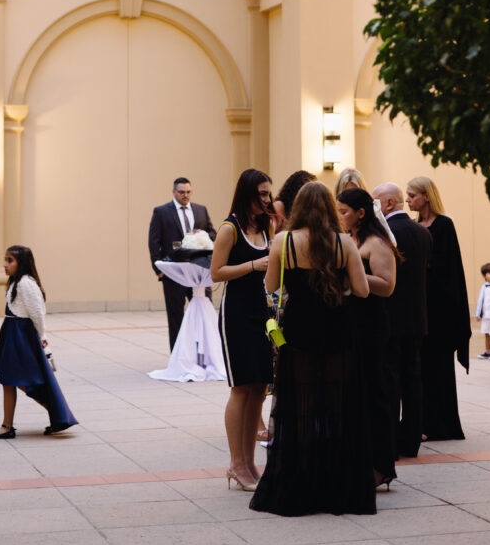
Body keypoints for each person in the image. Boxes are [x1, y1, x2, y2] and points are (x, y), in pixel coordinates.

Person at [250, 181, 375, 517]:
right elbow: (362, 291)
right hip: (338, 328)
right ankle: (336, 481)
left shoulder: (284, 241)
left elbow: (271, 287)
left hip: (300, 330)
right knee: (338, 404)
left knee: (300, 404)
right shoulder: (345, 242)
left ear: (298, 208)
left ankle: (301, 481)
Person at [210, 169, 273, 491]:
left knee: (260, 388)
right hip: (236, 315)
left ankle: (249, 463)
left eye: (268, 194)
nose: (267, 199)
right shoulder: (229, 229)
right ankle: (236, 464)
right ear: (248, 194)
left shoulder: (266, 226)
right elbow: (216, 272)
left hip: (262, 314)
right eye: (262, 194)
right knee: (241, 388)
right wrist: (252, 265)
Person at [337, 187, 398, 489]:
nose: (340, 217)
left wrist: (351, 275)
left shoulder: (377, 243)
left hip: (372, 324)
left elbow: (387, 286)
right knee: (355, 394)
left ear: (361, 213)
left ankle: (381, 466)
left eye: (344, 211)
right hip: (351, 323)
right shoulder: (351, 240)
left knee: (375, 392)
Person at [0, 246, 77, 439]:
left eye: (10, 260)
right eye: (5, 260)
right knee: (11, 381)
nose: (5, 264)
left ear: (22, 262)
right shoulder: (16, 282)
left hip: (21, 336)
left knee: (22, 381)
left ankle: (54, 417)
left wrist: (42, 338)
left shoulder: (26, 283)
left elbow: (38, 314)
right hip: (12, 333)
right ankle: (53, 417)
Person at [406, 176, 471, 441]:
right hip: (420, 307)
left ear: (426, 196)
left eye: (412, 195)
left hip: (440, 309)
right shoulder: (412, 226)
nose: (408, 200)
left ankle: (441, 424)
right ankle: (423, 422)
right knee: (421, 369)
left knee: (439, 367)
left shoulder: (444, 225)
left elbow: (449, 267)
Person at [373, 182, 431, 459]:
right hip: (417, 317)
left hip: (391, 318)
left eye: (375, 203)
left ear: (388, 204)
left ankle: (391, 441)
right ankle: (411, 440)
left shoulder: (386, 234)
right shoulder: (422, 232)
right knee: (413, 379)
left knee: (390, 381)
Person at [148, 177, 216, 350]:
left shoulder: (201, 210)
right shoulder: (162, 212)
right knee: (176, 315)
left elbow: (213, 234)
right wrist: (159, 270)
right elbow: (154, 242)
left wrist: (204, 235)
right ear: (174, 192)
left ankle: (203, 352)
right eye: (181, 192)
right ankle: (178, 356)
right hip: (175, 272)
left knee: (203, 312)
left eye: (188, 192)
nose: (185, 195)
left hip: (199, 271)